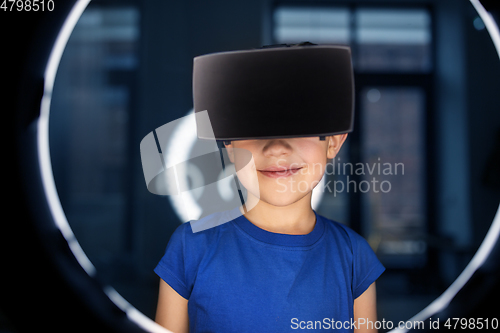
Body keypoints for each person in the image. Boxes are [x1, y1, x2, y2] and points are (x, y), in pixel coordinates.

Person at [154, 44, 385, 333]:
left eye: (300, 124)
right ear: (229, 144)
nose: (276, 148)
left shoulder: (354, 256)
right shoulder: (191, 246)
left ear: (334, 142)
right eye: (255, 125)